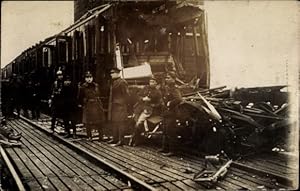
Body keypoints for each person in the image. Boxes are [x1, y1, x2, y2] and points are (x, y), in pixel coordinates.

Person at [129, 76, 163, 146]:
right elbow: (138, 96)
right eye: (150, 81)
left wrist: (152, 105)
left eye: (153, 82)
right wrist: (143, 99)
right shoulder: (145, 88)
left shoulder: (158, 92)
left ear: (156, 83)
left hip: (148, 110)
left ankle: (135, 140)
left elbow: (160, 103)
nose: (151, 83)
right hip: (139, 108)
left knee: (139, 123)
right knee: (134, 121)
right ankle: (137, 138)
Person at [159, 72, 183, 156]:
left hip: (172, 113)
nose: (167, 79)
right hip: (165, 112)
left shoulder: (175, 89)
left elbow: (179, 99)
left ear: (173, 79)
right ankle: (164, 148)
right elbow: (163, 97)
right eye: (166, 78)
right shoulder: (167, 88)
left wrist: (170, 103)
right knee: (165, 130)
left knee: (170, 132)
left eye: (169, 78)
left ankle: (172, 151)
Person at [78, 71, 105, 140]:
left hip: (96, 105)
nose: (89, 79)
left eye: (90, 77)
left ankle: (100, 136)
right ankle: (89, 136)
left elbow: (99, 94)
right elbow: (80, 97)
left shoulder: (96, 85)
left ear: (92, 78)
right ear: (85, 79)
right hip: (88, 105)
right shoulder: (83, 87)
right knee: (88, 122)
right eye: (87, 77)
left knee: (99, 121)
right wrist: (81, 104)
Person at [108, 68, 130, 146]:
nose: (111, 74)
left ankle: (121, 140)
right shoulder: (114, 82)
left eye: (113, 73)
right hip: (114, 106)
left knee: (121, 123)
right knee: (115, 122)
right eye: (111, 73)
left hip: (120, 106)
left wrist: (122, 103)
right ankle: (115, 139)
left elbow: (126, 95)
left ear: (117, 73)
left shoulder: (122, 82)